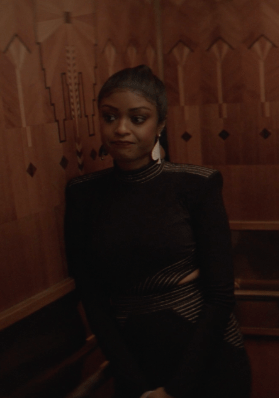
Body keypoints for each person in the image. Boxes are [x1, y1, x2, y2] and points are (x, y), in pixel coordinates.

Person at [64, 65, 251, 398]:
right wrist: (135, 384)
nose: (121, 129)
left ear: (160, 125)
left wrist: (176, 389)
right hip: (134, 363)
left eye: (137, 118)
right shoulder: (82, 194)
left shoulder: (197, 184)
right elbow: (91, 297)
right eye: (109, 117)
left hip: (208, 361)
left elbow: (221, 294)